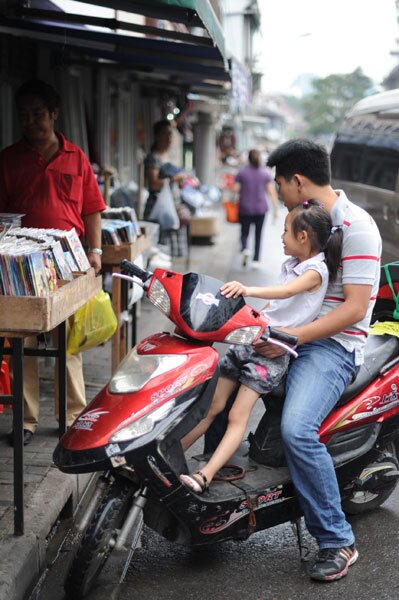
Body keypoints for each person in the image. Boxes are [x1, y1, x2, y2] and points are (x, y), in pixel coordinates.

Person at [253, 139, 380, 582]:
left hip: (332, 347)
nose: (278, 193)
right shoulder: (308, 223)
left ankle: (336, 540)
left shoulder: (358, 227)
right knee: (217, 376)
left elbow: (353, 309)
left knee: (297, 430)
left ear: (299, 182)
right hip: (295, 336)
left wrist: (288, 336)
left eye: (279, 184)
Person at [180, 200, 342, 494]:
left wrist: (247, 289)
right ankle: (170, 460)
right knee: (211, 407)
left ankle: (204, 475)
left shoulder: (316, 270)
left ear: (303, 236)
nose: (281, 236)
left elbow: (288, 291)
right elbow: (280, 302)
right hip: (252, 339)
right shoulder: (294, 263)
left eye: (285, 231)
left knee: (235, 417)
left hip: (270, 356)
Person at [0, 79, 106, 445]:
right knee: (23, 342)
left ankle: (72, 417)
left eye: (38, 114)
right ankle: (26, 420)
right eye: (24, 115)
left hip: (68, 261)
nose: (30, 121)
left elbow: (92, 210)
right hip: (21, 264)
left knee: (69, 341)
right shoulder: (9, 159)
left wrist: (96, 252)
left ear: (54, 115)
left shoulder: (76, 158)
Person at [234, 149, 279, 269]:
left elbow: (235, 189)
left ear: (248, 159)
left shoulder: (242, 172)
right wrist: (275, 209)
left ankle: (245, 248)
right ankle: (256, 260)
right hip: (261, 208)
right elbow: (271, 192)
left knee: (244, 231)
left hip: (245, 207)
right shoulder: (265, 173)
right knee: (258, 234)